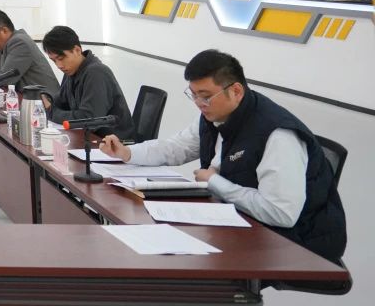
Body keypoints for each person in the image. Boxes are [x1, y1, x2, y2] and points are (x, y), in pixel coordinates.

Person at [100, 50, 346, 264]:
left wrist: (215, 183)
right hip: (239, 222)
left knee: (180, 266)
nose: (199, 103)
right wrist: (127, 152)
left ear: (236, 91)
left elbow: (280, 213)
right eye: (193, 95)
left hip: (295, 242)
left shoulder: (277, 135)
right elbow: (176, 147)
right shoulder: (213, 116)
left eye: (205, 96)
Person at [39, 26, 134, 140]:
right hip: (89, 139)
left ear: (77, 50)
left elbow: (89, 119)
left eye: (61, 58)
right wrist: (45, 101)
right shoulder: (71, 71)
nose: (59, 65)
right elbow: (62, 103)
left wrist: (51, 111)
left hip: (113, 143)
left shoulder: (96, 73)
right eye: (54, 60)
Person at [0, 9, 60, 92]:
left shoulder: (19, 42)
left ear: (4, 31)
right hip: (29, 97)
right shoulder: (5, 44)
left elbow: (5, 79)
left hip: (44, 98)